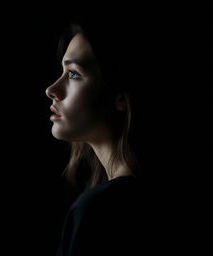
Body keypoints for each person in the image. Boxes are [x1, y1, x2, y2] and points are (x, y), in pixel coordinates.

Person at [45, 16, 152, 256]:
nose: (51, 89)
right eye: (62, 71)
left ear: (121, 98)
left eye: (73, 74)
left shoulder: (96, 212)